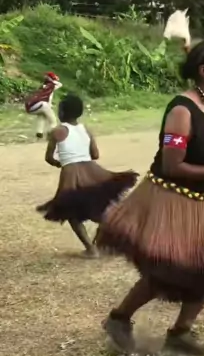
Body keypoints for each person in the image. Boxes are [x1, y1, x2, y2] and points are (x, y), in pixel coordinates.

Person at [97, 42, 204, 356]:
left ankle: (181, 332)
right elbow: (172, 165)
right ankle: (119, 318)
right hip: (172, 198)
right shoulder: (182, 111)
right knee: (169, 270)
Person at [37, 94, 138, 256]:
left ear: (62, 112)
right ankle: (117, 237)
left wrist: (60, 163)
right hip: (91, 170)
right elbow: (95, 154)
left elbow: (48, 157)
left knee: (72, 212)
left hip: (71, 173)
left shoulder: (57, 131)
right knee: (95, 209)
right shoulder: (86, 130)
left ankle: (91, 249)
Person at [25, 72, 62, 139]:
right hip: (42, 104)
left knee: (42, 116)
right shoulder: (51, 86)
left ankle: (39, 133)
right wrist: (52, 80)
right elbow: (60, 84)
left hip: (32, 107)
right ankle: (50, 134)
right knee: (53, 121)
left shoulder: (42, 86)